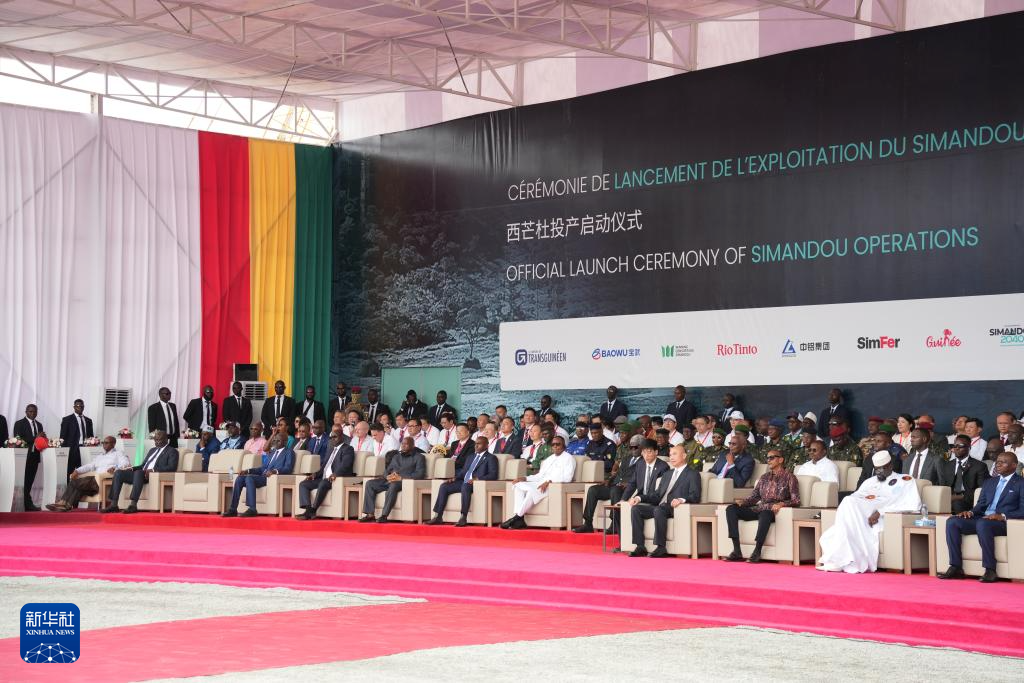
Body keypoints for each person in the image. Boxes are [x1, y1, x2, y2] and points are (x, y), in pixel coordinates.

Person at [817, 451, 921, 573]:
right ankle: (846, 558)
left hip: (884, 518)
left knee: (848, 502)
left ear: (890, 466)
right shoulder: (869, 482)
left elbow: (912, 504)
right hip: (859, 518)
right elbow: (856, 498)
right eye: (876, 469)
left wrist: (880, 512)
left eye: (881, 469)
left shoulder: (905, 480)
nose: (878, 473)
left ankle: (846, 559)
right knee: (848, 500)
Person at [938, 452, 1023, 582]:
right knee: (953, 522)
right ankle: (955, 567)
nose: (998, 464)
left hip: (1004, 523)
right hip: (983, 519)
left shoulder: (1020, 483)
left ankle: (990, 569)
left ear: (1014, 465)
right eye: (998, 461)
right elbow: (981, 505)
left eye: (1003, 462)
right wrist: (970, 512)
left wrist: (1003, 516)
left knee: (983, 524)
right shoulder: (990, 482)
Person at [724, 449, 801, 562]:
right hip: (758, 509)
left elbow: (796, 500)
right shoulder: (764, 477)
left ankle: (757, 551)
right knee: (731, 509)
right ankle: (736, 550)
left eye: (772, 457)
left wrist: (782, 503)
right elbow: (755, 497)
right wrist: (743, 502)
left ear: (780, 460)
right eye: (767, 458)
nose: (768, 460)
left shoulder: (789, 477)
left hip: (772, 511)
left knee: (765, 514)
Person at [574, 437, 661, 534]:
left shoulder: (644, 461)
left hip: (626, 489)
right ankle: (588, 523)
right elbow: (618, 473)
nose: (633, 450)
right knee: (593, 489)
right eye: (630, 447)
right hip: (615, 485)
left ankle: (614, 524)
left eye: (635, 447)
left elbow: (639, 479)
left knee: (615, 490)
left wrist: (627, 483)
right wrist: (608, 480)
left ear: (642, 448)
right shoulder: (626, 459)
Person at [627, 444, 701, 558]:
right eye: (670, 454)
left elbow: (695, 496)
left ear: (684, 455)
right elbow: (656, 495)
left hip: (674, 507)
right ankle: (640, 546)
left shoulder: (692, 474)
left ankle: (661, 547)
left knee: (659, 509)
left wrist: (681, 500)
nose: (671, 457)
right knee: (636, 509)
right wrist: (639, 498)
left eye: (675, 454)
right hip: (660, 507)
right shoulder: (667, 474)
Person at [502, 436, 576, 529]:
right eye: (553, 445)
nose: (555, 446)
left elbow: (568, 477)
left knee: (531, 491)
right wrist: (525, 478)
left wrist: (550, 481)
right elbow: (540, 476)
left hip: (553, 486)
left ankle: (516, 517)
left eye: (558, 444)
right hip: (540, 483)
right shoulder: (549, 459)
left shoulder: (569, 458)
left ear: (564, 446)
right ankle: (519, 520)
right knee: (518, 485)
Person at [104, 430, 180, 514]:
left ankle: (133, 505)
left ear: (166, 439)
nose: (157, 442)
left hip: (151, 475)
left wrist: (153, 470)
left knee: (139, 472)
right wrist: (132, 468)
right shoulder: (152, 450)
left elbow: (172, 467)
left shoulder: (172, 451)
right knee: (118, 473)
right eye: (155, 440)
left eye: (159, 440)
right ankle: (114, 505)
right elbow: (143, 465)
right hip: (141, 474)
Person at [428, 436, 498, 526]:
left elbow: (493, 474)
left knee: (465, 486)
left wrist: (477, 479)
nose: (476, 446)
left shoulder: (491, 458)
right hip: (464, 481)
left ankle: (463, 517)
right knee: (444, 486)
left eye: (479, 444)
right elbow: (464, 471)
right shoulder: (470, 457)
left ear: (486, 445)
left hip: (476, 484)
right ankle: (438, 516)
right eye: (475, 444)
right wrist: (455, 478)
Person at [46, 436, 128, 512]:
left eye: (106, 443)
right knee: (78, 486)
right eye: (103, 443)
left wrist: (115, 468)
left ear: (113, 444)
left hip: (104, 480)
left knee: (75, 482)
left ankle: (62, 503)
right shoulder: (100, 456)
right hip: (93, 481)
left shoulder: (118, 453)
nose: (104, 445)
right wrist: (77, 471)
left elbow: (126, 463)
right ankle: (66, 506)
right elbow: (89, 466)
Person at [222, 434, 294, 517]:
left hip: (272, 478)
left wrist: (274, 471)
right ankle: (233, 509)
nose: (276, 442)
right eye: (274, 441)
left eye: (278, 441)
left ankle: (252, 509)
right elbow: (262, 469)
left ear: (285, 442)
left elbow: (288, 468)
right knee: (240, 478)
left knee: (249, 478)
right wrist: (248, 471)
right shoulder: (272, 452)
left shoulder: (289, 452)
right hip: (262, 476)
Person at [359, 436, 426, 523]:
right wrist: (388, 476)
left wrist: (401, 477)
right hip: (390, 480)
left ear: (412, 445)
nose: (403, 446)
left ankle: (384, 515)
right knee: (370, 483)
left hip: (403, 482)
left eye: (406, 444)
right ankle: (370, 514)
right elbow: (387, 471)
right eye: (402, 444)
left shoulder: (419, 457)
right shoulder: (396, 457)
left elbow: (419, 474)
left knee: (393, 485)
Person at [296, 432, 355, 520]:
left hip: (334, 479)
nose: (332, 439)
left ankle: (314, 509)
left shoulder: (348, 449)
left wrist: (336, 473)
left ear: (341, 437)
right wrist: (315, 474)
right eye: (330, 437)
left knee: (323, 483)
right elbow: (324, 466)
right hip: (323, 477)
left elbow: (346, 464)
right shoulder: (331, 449)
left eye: (335, 437)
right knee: (304, 484)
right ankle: (308, 509)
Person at [940, 435, 990, 514]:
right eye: (954, 446)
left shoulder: (979, 466)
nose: (956, 448)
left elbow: (981, 489)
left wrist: (959, 497)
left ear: (969, 447)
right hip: (949, 497)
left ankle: (958, 523)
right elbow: (942, 484)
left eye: (960, 446)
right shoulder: (947, 465)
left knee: (957, 503)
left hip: (968, 499)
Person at [14, 404, 45, 511]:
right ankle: (26, 503)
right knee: (24, 481)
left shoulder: (39, 425)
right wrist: (35, 438)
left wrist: (43, 438)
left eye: (34, 412)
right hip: (23, 457)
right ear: (26, 412)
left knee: (30, 481)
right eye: (30, 411)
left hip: (35, 456)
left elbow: (40, 441)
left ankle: (26, 502)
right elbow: (18, 439)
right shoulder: (19, 424)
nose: (32, 413)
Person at [59, 398, 95, 476]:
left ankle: (82, 488)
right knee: (70, 471)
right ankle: (70, 487)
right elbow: (62, 437)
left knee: (84, 471)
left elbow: (91, 436)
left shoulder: (88, 420)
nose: (80, 407)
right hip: (72, 450)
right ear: (74, 407)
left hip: (85, 449)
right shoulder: (67, 420)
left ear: (84, 407)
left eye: (82, 406)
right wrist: (65, 452)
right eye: (78, 406)